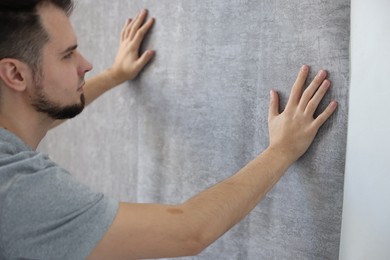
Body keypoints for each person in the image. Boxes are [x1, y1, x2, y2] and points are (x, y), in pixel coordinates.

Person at [0, 0, 338, 259]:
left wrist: (115, 75)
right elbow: (189, 231)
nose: (85, 64)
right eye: (67, 55)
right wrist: (281, 149)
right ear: (15, 75)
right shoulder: (16, 189)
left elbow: (43, 109)